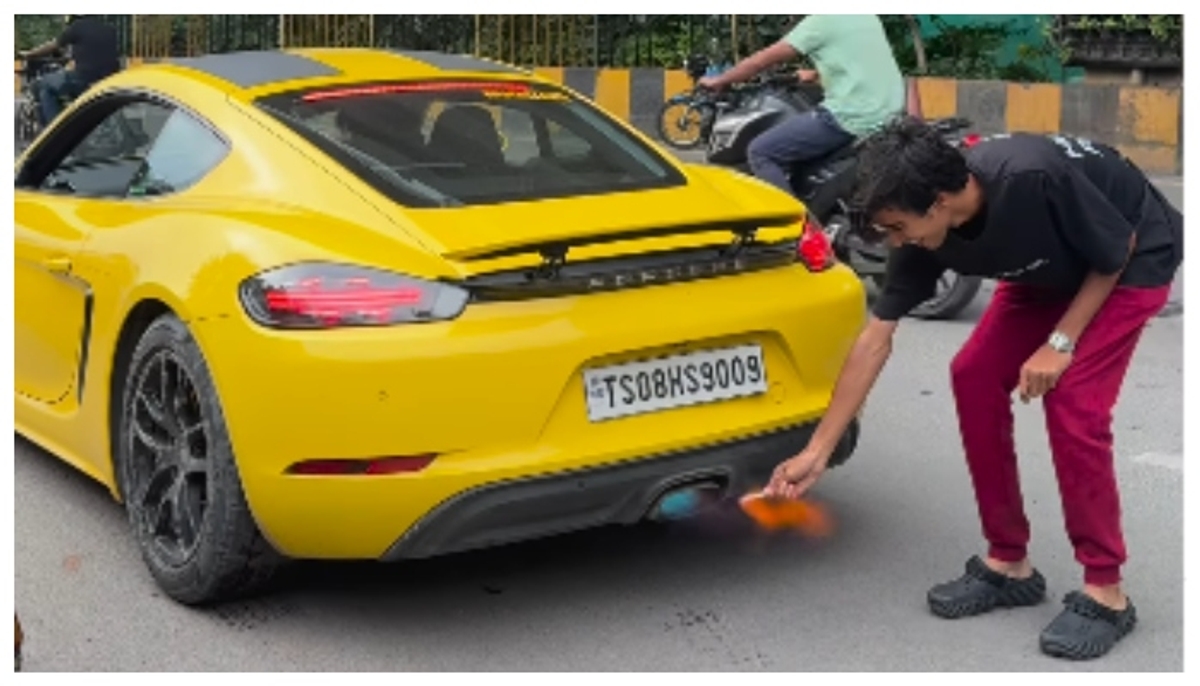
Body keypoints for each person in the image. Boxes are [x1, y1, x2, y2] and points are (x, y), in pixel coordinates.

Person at [763, 116, 1183, 660]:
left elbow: (1116, 246)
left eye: (895, 228)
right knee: (973, 375)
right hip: (1046, 268)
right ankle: (1009, 561)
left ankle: (1106, 590)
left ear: (939, 201)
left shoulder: (1032, 177)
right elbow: (875, 340)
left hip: (1128, 259)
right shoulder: (919, 225)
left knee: (1074, 400)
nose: (894, 242)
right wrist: (816, 451)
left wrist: (1061, 342)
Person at [697, 15, 903, 193]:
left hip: (852, 115)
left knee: (760, 152)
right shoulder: (866, 15)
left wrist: (720, 80)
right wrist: (814, 74)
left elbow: (761, 61)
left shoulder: (823, 20)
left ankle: (794, 226)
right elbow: (857, 64)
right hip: (890, 115)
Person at [19, 15, 121, 126]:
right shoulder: (110, 29)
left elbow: (54, 45)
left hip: (84, 79)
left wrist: (29, 54)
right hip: (110, 81)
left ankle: (55, 129)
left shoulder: (78, 26)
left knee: (44, 86)